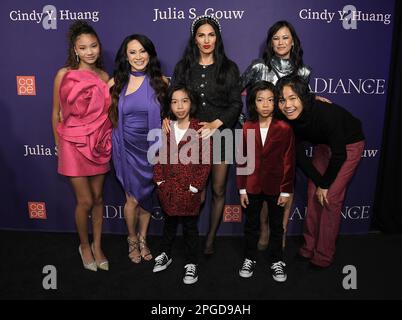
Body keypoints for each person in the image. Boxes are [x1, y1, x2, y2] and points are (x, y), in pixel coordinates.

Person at [240, 20, 329, 251]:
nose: (280, 42)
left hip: (290, 135)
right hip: (261, 135)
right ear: (271, 41)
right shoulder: (259, 66)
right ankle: (265, 231)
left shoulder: (304, 71)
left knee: (285, 185)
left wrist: (314, 98)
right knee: (261, 183)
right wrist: (244, 123)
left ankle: (281, 233)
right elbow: (236, 92)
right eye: (276, 38)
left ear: (293, 41)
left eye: (285, 37)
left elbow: (301, 100)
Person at [166, 15, 242, 255]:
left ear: (217, 38)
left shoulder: (229, 68)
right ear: (195, 39)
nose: (206, 40)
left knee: (218, 190)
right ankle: (193, 237)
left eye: (211, 34)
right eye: (201, 35)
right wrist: (166, 118)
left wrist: (216, 124)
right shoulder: (183, 67)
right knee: (195, 191)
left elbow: (235, 105)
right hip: (192, 139)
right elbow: (172, 98)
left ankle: (210, 239)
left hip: (222, 137)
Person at [277, 75, 365, 268]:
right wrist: (319, 182)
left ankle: (323, 254)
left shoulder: (326, 113)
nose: (287, 105)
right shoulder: (286, 118)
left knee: (330, 198)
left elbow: (339, 154)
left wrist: (325, 185)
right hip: (323, 147)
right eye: (282, 100)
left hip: (348, 146)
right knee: (313, 194)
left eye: (293, 98)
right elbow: (299, 156)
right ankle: (309, 247)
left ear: (304, 97)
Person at [52, 20, 111, 272]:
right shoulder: (63, 74)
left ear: (99, 47)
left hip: (98, 142)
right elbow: (56, 113)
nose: (90, 51)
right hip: (71, 143)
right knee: (85, 201)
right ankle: (84, 245)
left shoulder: (104, 77)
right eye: (83, 47)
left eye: (94, 46)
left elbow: (108, 113)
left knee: (98, 198)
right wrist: (58, 143)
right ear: (75, 49)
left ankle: (97, 246)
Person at [109, 34, 168, 264]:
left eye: (142, 51)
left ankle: (143, 238)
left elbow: (172, 113)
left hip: (152, 146)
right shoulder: (116, 83)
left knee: (147, 195)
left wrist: (167, 121)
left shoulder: (161, 82)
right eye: (132, 52)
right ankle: (131, 238)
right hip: (126, 147)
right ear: (125, 55)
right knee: (132, 199)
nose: (138, 56)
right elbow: (103, 116)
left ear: (150, 53)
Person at [153, 85, 211, 284]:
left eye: (184, 101)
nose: (180, 106)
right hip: (168, 189)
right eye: (175, 101)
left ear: (192, 103)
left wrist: (196, 186)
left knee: (190, 228)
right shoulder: (166, 128)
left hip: (189, 191)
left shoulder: (200, 129)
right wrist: (159, 180)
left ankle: (191, 263)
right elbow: (159, 156)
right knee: (168, 226)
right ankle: (165, 254)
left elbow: (205, 162)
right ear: (169, 105)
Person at [237, 81, 295, 282]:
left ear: (276, 102)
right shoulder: (247, 127)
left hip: (276, 187)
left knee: (277, 226)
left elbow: (289, 160)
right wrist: (242, 189)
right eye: (260, 100)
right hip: (252, 185)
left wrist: (286, 190)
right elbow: (242, 159)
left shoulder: (284, 128)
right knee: (251, 224)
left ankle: (277, 260)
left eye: (270, 100)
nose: (265, 105)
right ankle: (249, 258)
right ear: (253, 102)